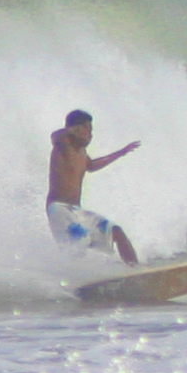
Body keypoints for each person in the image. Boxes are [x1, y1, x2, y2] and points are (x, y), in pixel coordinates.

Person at [47, 109, 141, 265]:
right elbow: (56, 135)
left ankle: (136, 271)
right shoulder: (63, 143)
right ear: (75, 129)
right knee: (79, 244)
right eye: (88, 130)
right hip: (59, 209)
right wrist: (72, 129)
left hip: (76, 210)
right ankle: (74, 279)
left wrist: (121, 152)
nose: (91, 135)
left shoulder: (82, 152)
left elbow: (91, 166)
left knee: (115, 231)